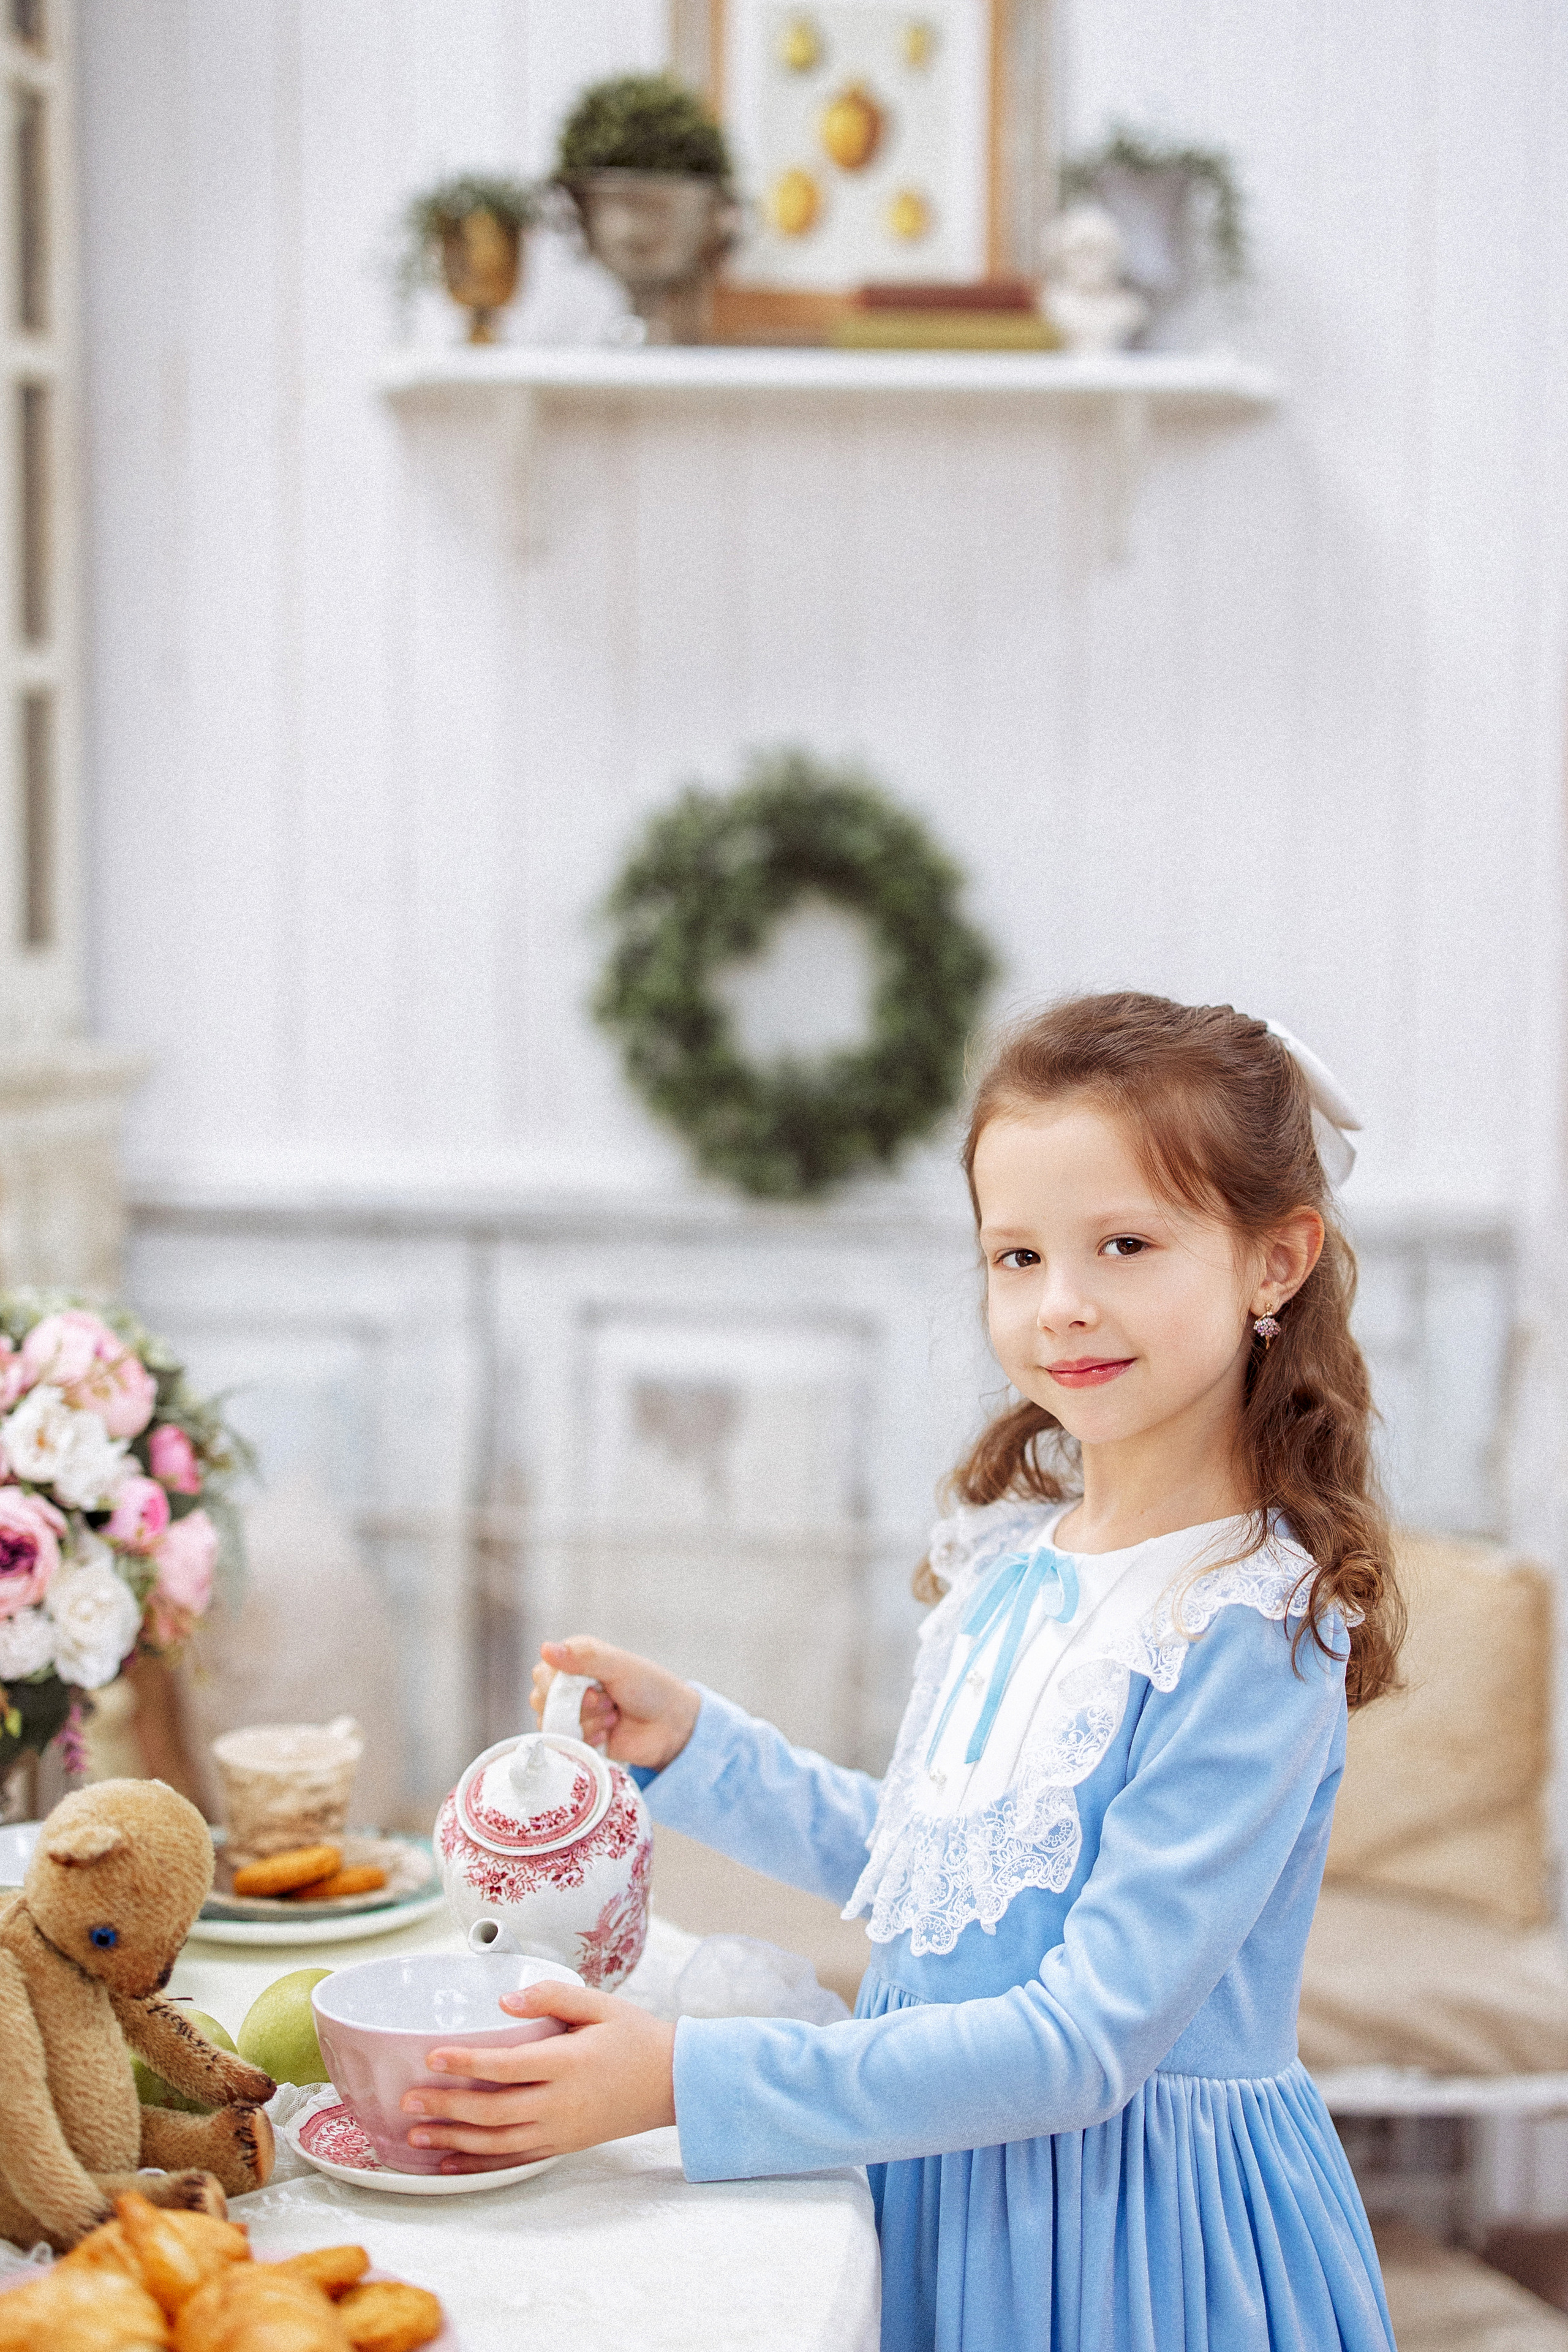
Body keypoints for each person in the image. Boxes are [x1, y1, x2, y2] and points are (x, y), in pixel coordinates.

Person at [405, 993, 1401, 2352]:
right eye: (1014, 1255)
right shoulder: (1008, 1563)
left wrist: (684, 2082)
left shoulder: (1248, 1627)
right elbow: (945, 1883)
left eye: (1124, 1243)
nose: (1061, 1304)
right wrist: (700, 1750)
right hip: (944, 2177)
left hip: (1128, 2243)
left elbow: (1080, 2044)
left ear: (1273, 1261)